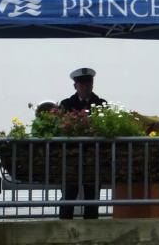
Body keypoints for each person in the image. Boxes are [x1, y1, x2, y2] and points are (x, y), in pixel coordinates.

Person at [59, 68, 106, 220]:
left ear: (92, 85)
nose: (86, 87)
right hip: (71, 159)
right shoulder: (66, 104)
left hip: (94, 157)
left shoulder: (100, 104)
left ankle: (92, 232)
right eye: (82, 84)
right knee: (68, 195)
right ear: (75, 86)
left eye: (88, 83)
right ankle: (64, 230)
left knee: (92, 197)